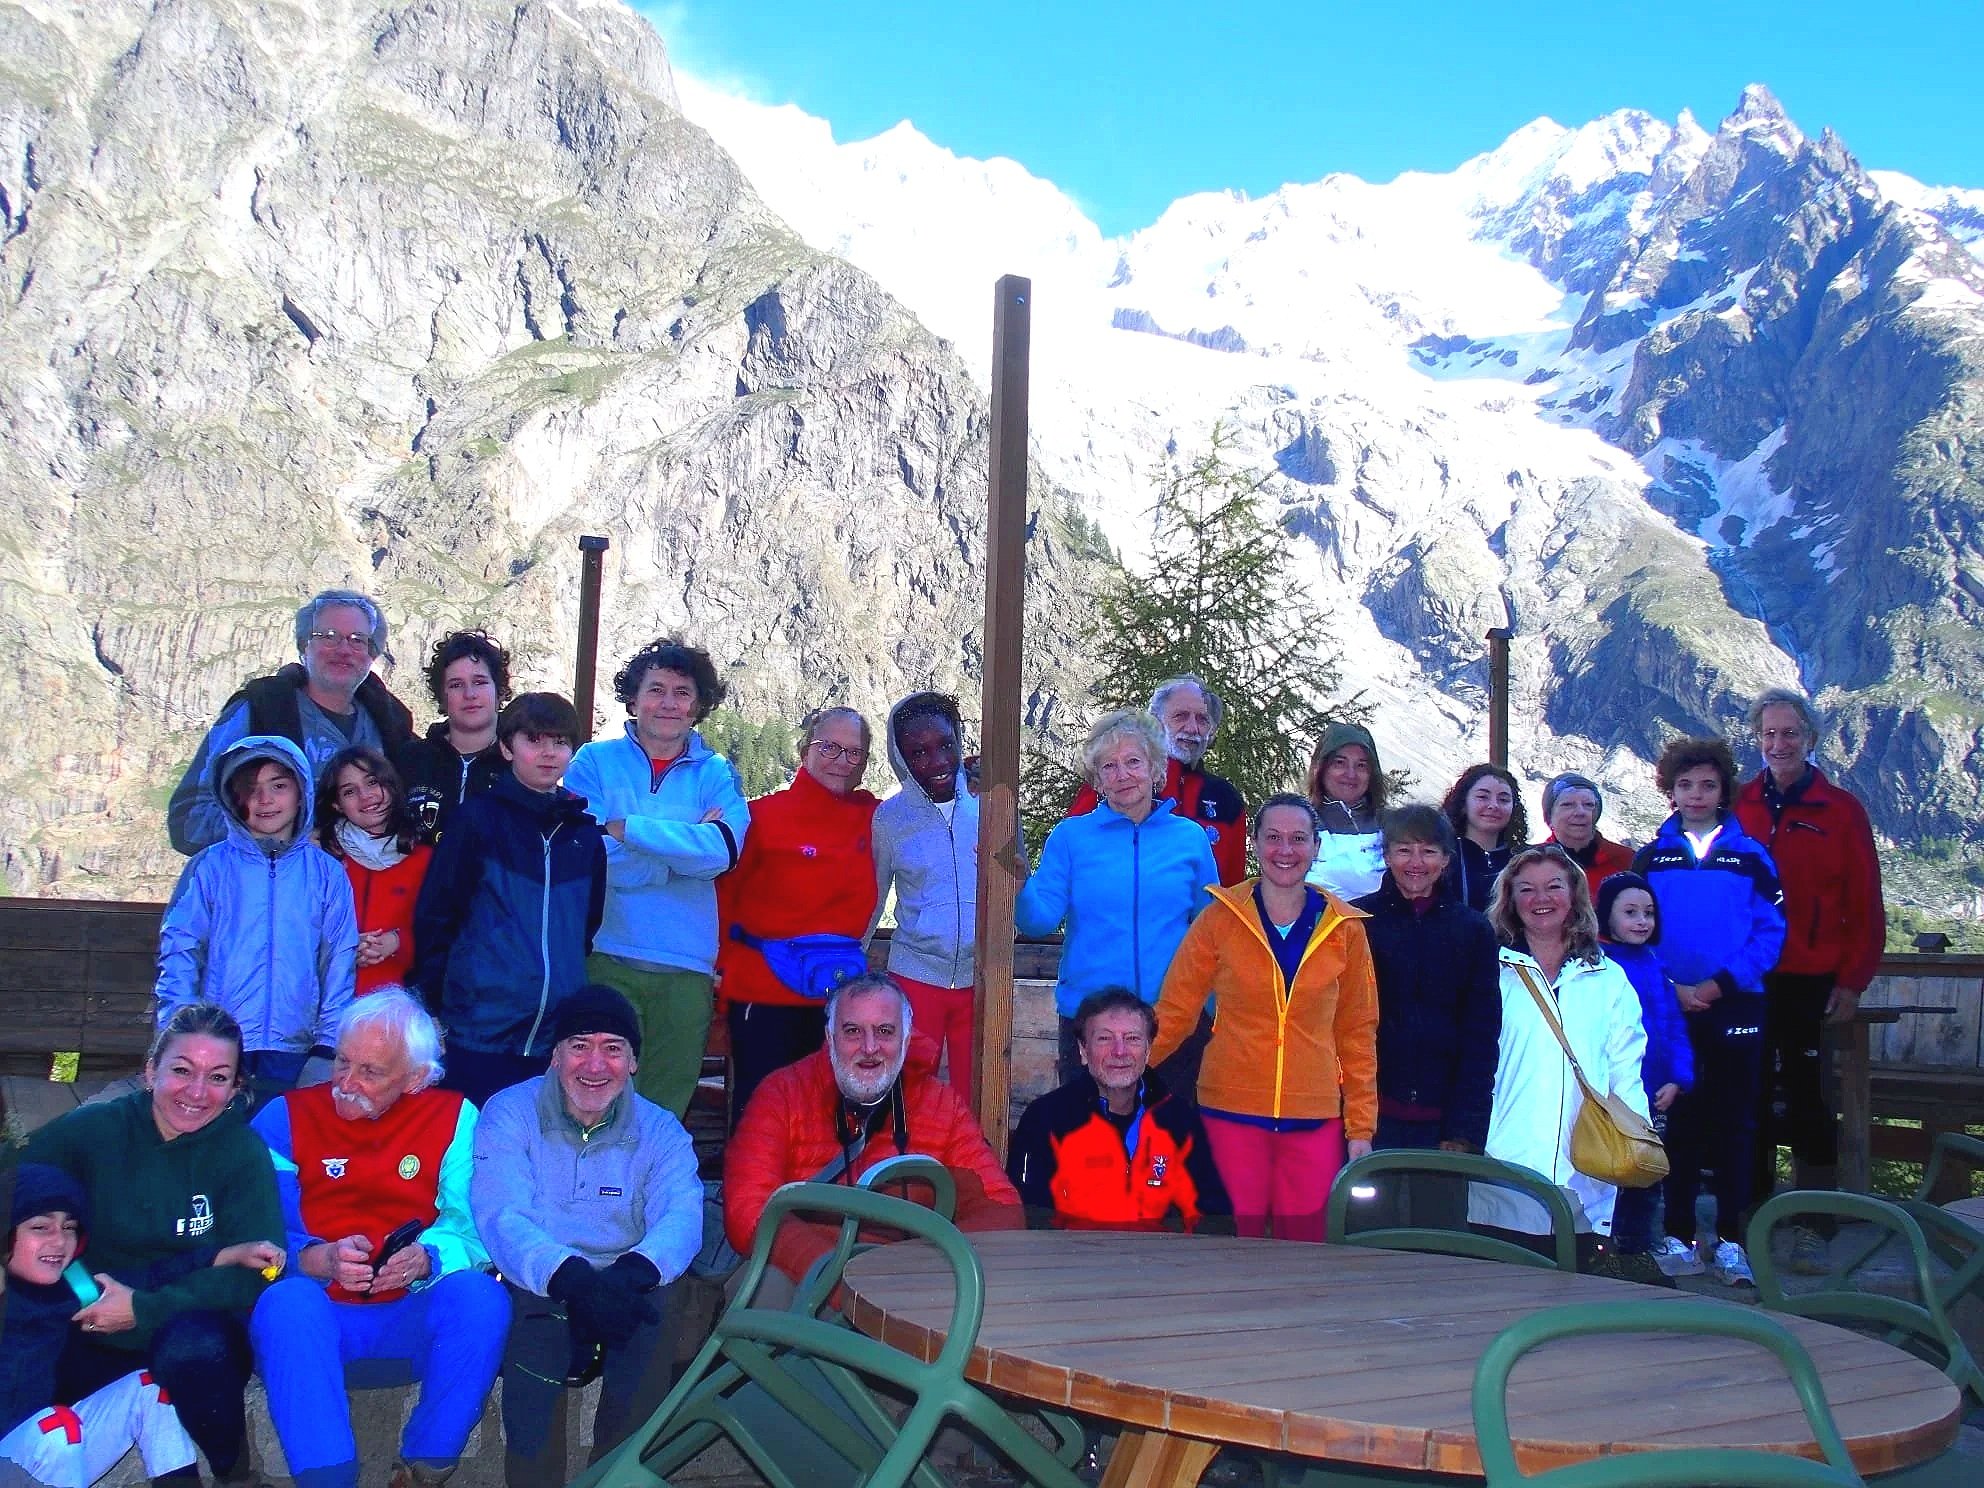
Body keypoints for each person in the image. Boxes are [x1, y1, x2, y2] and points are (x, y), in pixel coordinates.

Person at [248, 991, 508, 1488]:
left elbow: (475, 1228)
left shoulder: (455, 1118)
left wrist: (426, 1258)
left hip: (406, 1319)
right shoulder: (283, 1118)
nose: (346, 1083)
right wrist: (313, 1258)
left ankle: (424, 1468)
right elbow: (251, 1236)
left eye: (370, 1072)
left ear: (415, 1078)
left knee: (481, 1297)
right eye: (342, 1062)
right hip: (314, 1326)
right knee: (287, 1302)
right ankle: (328, 1478)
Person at [22, 1004, 284, 1487]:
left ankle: (235, 1472)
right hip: (90, 1319)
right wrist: (78, 1285)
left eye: (218, 1077)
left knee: (198, 1347)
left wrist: (145, 1308)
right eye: (182, 1071)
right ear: (150, 1071)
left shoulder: (241, 1153)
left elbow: (259, 1268)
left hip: (186, 1326)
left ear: (235, 1089)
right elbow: (14, 1187)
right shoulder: (97, 1131)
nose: (197, 1092)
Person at [471, 985, 703, 1488]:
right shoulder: (509, 1113)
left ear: (634, 1062)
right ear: (555, 1054)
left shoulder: (662, 1130)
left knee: (657, 1309)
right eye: (580, 1045)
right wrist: (570, 1278)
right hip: (540, 1275)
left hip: (627, 1277)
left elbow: (681, 1217)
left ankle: (617, 1477)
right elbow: (501, 1214)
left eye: (613, 1048)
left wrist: (632, 1273)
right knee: (533, 1320)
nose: (595, 1065)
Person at [1152, 794, 1378, 1241]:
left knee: (1307, 1247)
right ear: (1255, 844)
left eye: (1298, 839)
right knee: (1233, 1245)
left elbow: (1356, 1033)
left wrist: (1361, 1126)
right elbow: (1176, 1012)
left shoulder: (1345, 929)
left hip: (1314, 1117)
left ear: (1316, 847)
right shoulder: (1220, 920)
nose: (1285, 850)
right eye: (1273, 838)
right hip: (1229, 1111)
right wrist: (1121, 1078)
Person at [722, 973, 1022, 1288]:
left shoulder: (941, 1105)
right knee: (764, 1289)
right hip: (805, 1278)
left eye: (884, 1031)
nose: (869, 1047)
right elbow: (748, 1210)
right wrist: (837, 1275)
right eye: (853, 1031)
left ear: (906, 1039)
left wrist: (923, 1266)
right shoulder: (780, 1095)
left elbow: (1001, 1208)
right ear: (830, 1036)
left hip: (903, 1281)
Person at [564, 640, 750, 1120]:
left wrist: (629, 829)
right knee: (592, 1100)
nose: (669, 703)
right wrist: (679, 851)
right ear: (633, 699)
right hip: (606, 956)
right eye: (657, 690)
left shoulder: (716, 772)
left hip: (685, 969)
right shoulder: (592, 762)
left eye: (683, 693)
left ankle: (646, 1197)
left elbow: (723, 852)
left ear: (697, 705)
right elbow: (587, 853)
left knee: (664, 1112)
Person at [1733, 687, 1884, 1274]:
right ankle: (1750, 1216)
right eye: (1769, 734)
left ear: (1811, 737)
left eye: (1789, 732)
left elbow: (1865, 901)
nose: (1779, 743)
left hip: (1810, 976)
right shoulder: (1739, 804)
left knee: (1807, 1099)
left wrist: (1853, 980)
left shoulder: (1841, 809)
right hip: (1747, 976)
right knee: (1746, 1093)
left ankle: (1814, 1225)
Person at [1633, 737, 1786, 1287]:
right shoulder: (1651, 857)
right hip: (1671, 1008)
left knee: (1735, 1123)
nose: (1695, 794)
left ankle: (1730, 1240)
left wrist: (1720, 985)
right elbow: (1634, 927)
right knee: (1678, 1120)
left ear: (1724, 791)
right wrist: (1670, 988)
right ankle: (1673, 1231)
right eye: (1685, 785)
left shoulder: (1752, 856)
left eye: (1707, 785)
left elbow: (1771, 933)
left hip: (1735, 1005)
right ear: (1670, 791)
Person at [411, 693, 606, 1109]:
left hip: (554, 1038)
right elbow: (437, 915)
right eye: (533, 739)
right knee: (469, 1151)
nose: (548, 752)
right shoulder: (476, 821)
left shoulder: (585, 837)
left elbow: (584, 930)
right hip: (479, 1028)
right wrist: (436, 1000)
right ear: (506, 747)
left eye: (559, 741)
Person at [1016, 711, 1218, 1086]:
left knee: (1170, 1141)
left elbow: (1212, 929)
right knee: (1090, 1139)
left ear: (1155, 768)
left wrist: (1207, 1007)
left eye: (1133, 762)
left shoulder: (1189, 838)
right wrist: (1017, 884)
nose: (1122, 774)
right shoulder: (1070, 838)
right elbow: (1037, 920)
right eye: (1109, 766)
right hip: (1092, 1024)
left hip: (1173, 1022)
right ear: (1097, 778)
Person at [155, 734, 359, 1104]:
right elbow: (181, 954)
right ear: (233, 799)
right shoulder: (210, 867)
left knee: (284, 1153)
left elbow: (339, 962)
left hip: (297, 1049)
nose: (266, 800)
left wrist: (329, 1046)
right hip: (216, 1047)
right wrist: (178, 1037)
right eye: (251, 789)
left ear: (301, 793)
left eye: (279, 786)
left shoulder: (327, 874)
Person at [1473, 845, 1650, 1263]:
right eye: (1526, 889)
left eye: (1554, 887)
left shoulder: (1607, 977)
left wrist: (1634, 1139)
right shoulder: (1488, 968)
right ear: (1510, 900)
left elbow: (1626, 1064)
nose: (1541, 899)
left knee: (1572, 1286)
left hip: (1585, 1165)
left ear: (1574, 895)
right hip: (1501, 1160)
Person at [0, 1164, 216, 1488]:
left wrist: (223, 1255)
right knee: (56, 1427)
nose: (59, 1240)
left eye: (69, 1227)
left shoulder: (75, 1286)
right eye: (41, 1227)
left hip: (41, 1455)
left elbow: (151, 1277)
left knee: (148, 1388)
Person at [716, 706, 882, 1124]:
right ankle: (753, 1192)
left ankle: (820, 1192)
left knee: (829, 1116)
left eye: (854, 753)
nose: (841, 761)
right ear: (805, 749)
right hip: (763, 992)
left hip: (839, 996)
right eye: (830, 747)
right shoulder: (760, 817)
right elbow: (723, 897)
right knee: (763, 1113)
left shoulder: (874, 817)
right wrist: (718, 971)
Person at [169, 591, 416, 855]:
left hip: (370, 892)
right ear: (303, 645)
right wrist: (284, 838)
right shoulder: (258, 712)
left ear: (372, 655)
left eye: (358, 640)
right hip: (273, 891)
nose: (344, 650)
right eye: (328, 636)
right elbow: (189, 820)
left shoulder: (390, 725)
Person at [1349, 805, 1501, 1229]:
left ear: (1447, 859)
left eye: (1429, 851)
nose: (1416, 863)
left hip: (1443, 1121)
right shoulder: (1356, 922)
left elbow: (1481, 1036)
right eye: (1404, 850)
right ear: (1387, 855)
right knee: (1368, 1234)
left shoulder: (1472, 931)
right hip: (1371, 1116)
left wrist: (1465, 1129)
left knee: (1439, 1239)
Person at [1007, 989, 1228, 1231]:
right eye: (1104, 1038)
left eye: (1132, 1038)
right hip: (1073, 1262)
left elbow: (1211, 1215)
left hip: (1162, 1262)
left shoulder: (1178, 1120)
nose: (1119, 1051)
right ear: (1083, 1050)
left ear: (1148, 1049)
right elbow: (1029, 1215)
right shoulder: (1046, 1119)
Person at [870, 692, 980, 1104]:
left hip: (980, 981)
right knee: (910, 1097)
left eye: (945, 746)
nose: (936, 763)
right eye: (918, 752)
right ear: (900, 757)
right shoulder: (891, 819)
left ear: (959, 741)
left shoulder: (992, 806)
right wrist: (851, 962)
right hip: (915, 978)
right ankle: (906, 1170)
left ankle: (973, 1171)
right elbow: (874, 897)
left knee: (976, 1098)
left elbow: (1016, 883)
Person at [1064, 676, 1248, 885]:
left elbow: (1232, 893)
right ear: (1156, 721)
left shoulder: (1225, 800)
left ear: (1211, 732)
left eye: (1202, 720)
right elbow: (1069, 857)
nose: (1192, 728)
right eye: (1180, 716)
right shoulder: (1117, 779)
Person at [1597, 873, 1694, 1260]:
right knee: (1608, 1170)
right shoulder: (1599, 966)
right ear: (1606, 917)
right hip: (1612, 1093)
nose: (1641, 921)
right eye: (1630, 912)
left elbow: (1674, 1026)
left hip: (1654, 1094)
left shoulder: (1655, 966)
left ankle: (1637, 1247)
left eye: (1648, 913)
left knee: (1647, 1169)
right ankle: (1604, 1245)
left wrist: (1679, 1078)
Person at [317, 746, 432, 996]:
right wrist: (345, 947)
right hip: (329, 1004)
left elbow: (438, 932)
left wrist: (398, 942)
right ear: (337, 804)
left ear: (390, 784)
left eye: (372, 782)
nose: (366, 796)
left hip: (398, 1005)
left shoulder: (424, 859)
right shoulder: (324, 860)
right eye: (350, 791)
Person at [398, 631, 513, 842]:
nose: (469, 694)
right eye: (456, 685)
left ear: (500, 690)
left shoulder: (520, 763)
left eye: (479, 682)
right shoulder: (409, 760)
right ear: (442, 696)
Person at [1304, 722, 1387, 900]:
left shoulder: (1392, 825)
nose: (1351, 774)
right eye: (1340, 763)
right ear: (1322, 768)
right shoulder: (1300, 822)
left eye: (1361, 765)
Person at [1440, 764, 1528, 914]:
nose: (1493, 805)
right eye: (1482, 797)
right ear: (1463, 804)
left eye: (1503, 799)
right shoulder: (1442, 858)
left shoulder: (1524, 859)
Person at [1540, 772, 1633, 895]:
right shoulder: (1531, 861)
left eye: (1589, 805)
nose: (1580, 812)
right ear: (1549, 816)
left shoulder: (1627, 860)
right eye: (1567, 805)